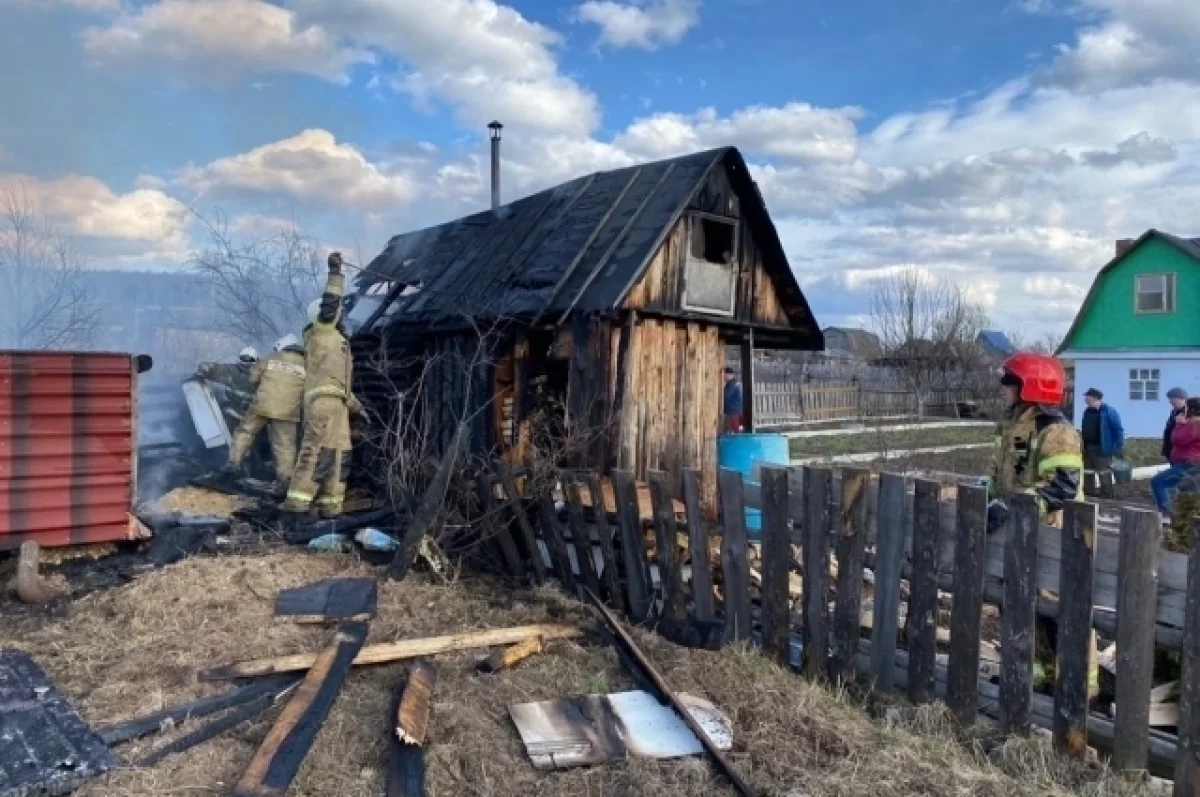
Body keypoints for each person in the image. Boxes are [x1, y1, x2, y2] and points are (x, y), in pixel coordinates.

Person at [987, 352, 1089, 693]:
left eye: (1010, 383)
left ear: (1030, 387)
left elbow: (1062, 485)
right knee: (1018, 604)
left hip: (1053, 532)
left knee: (1056, 611)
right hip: (1022, 529)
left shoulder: (1056, 431)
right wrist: (985, 496)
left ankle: (1076, 684)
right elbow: (1005, 476)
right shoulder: (1015, 425)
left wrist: (1014, 506)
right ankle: (1035, 674)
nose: (1003, 389)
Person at [283, 252, 361, 519]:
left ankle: (331, 509)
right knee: (315, 454)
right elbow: (331, 302)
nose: (342, 317)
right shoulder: (321, 331)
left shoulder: (339, 344)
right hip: (322, 404)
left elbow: (340, 384)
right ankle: (296, 508)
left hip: (338, 406)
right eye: (339, 314)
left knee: (340, 456)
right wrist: (336, 273)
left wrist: (357, 407)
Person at [221, 334, 306, 490]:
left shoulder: (271, 358)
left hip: (262, 405)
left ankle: (233, 464)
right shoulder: (307, 364)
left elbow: (252, 377)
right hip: (288, 411)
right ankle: (285, 482)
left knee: (245, 432)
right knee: (285, 446)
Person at [1152, 397, 1200, 526]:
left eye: (1187, 408)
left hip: (1188, 464)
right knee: (1191, 492)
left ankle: (1166, 514)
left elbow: (1178, 440)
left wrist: (1179, 424)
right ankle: (1190, 521)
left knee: (1158, 482)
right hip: (1194, 463)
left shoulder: (1194, 424)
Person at [194, 346, 260, 432]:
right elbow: (216, 369)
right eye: (244, 360)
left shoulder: (264, 374)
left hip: (256, 417)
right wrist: (205, 368)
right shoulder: (232, 371)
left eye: (250, 360)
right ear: (240, 360)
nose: (246, 364)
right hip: (233, 413)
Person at [1080, 387, 1124, 498]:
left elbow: (1118, 430)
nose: (1085, 399)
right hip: (1088, 447)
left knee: (1104, 473)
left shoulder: (1109, 412)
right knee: (1087, 472)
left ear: (1095, 398)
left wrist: (1117, 447)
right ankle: (1089, 493)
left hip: (1102, 448)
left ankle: (1107, 495)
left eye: (1087, 397)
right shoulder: (1087, 411)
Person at [1163, 387, 1189, 462]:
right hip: (1171, 451)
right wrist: (1165, 451)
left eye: (1172, 399)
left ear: (1182, 399)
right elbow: (1168, 430)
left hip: (1182, 454)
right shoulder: (1174, 412)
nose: (1170, 402)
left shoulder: (1188, 413)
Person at [723, 367, 743, 433]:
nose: (724, 376)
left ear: (728, 375)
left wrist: (722, 388)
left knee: (733, 430)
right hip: (734, 409)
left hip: (732, 411)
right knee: (733, 429)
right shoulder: (734, 382)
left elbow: (726, 395)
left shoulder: (731, 383)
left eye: (725, 374)